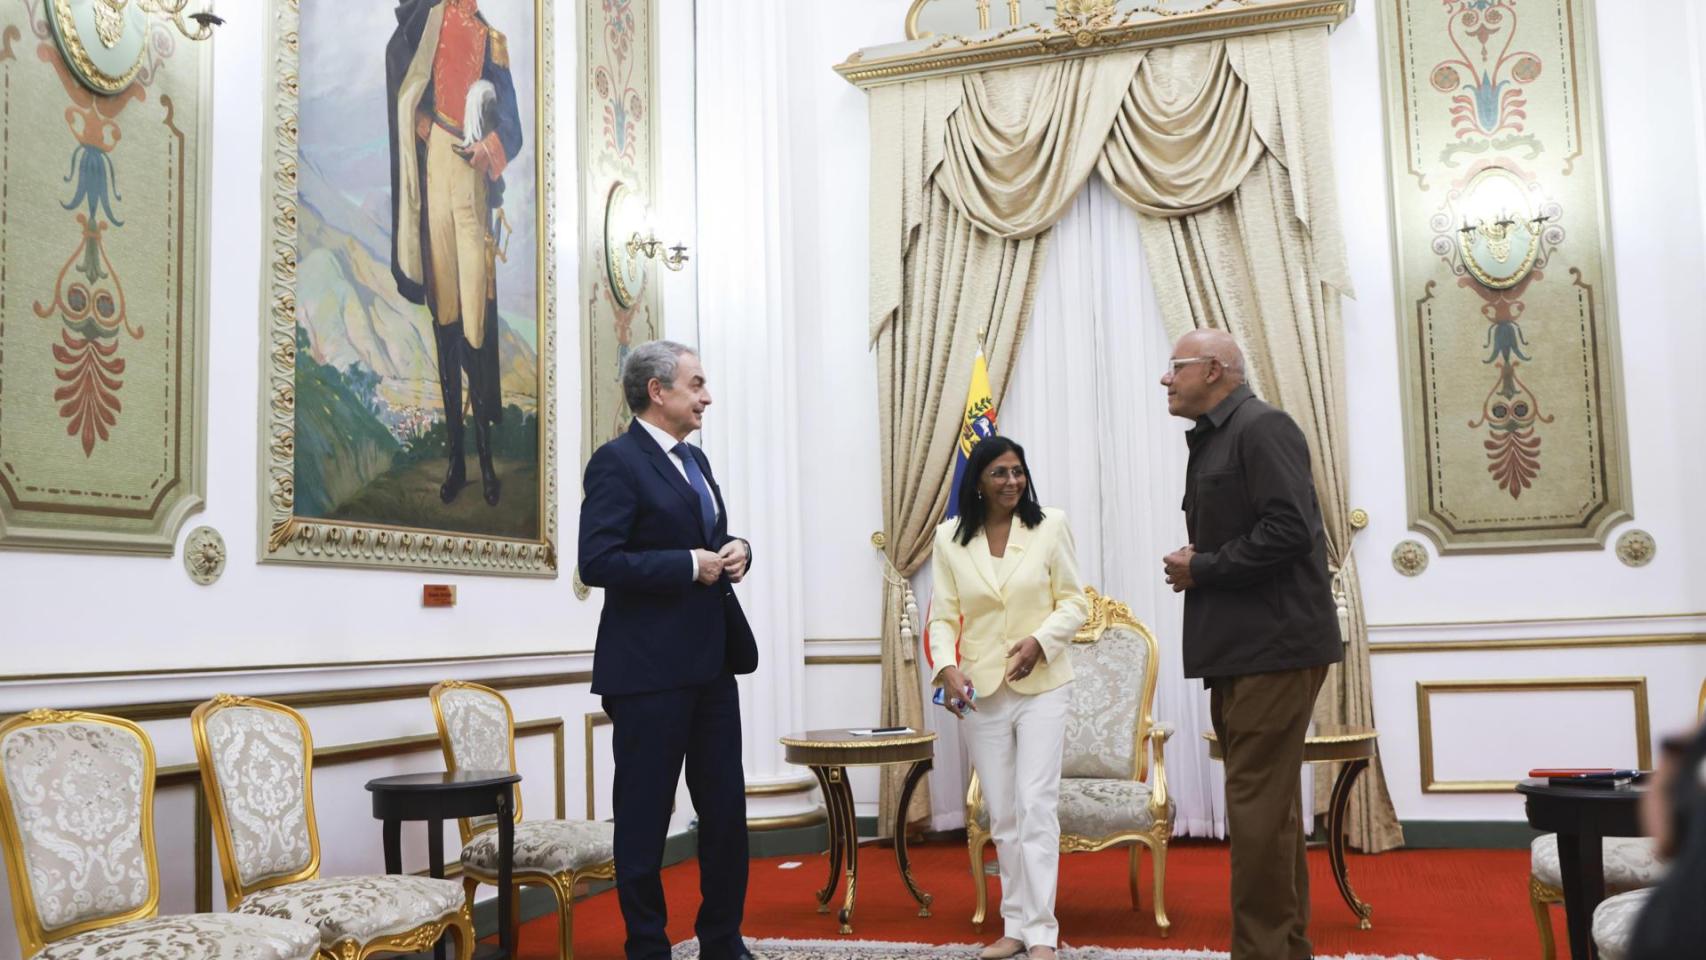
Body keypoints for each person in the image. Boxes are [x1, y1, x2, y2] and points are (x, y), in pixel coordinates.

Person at [1158, 329, 1342, 960]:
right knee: (1269, 811)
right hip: (1246, 648)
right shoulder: (1219, 436)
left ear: (1214, 370)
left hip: (1275, 646)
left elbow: (1291, 530)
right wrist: (1203, 564)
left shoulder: (1262, 428)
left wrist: (1200, 567)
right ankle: (1285, 949)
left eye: (1176, 367)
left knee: (1256, 812)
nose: (1166, 379)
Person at [578, 340, 757, 960]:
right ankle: (648, 948)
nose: (707, 396)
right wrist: (687, 565)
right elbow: (597, 560)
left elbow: (705, 537)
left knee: (727, 816)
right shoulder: (616, 462)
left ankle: (722, 941)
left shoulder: (697, 463)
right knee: (644, 822)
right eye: (697, 384)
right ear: (658, 391)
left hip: (712, 666)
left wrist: (736, 551)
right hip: (648, 675)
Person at [927, 436, 1088, 960]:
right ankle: (1014, 926)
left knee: (1035, 805)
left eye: (1018, 471)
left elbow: (1074, 602)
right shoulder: (949, 537)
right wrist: (946, 668)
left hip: (1042, 686)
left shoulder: (1050, 525)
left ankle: (1043, 932)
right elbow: (944, 615)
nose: (1012, 482)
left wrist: (1041, 642)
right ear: (978, 480)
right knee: (1003, 813)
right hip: (981, 691)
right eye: (999, 473)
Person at [387, 0, 523, 506]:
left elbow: (513, 129)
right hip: (435, 170)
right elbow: (403, 71)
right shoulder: (429, 20)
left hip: (470, 180)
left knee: (474, 324)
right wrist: (419, 118)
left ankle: (486, 461)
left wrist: (485, 148)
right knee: (444, 318)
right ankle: (457, 461)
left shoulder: (492, 41)